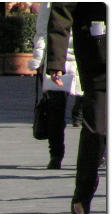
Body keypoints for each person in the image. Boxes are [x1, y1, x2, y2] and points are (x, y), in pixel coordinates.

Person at [47, 3, 106, 214]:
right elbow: (60, 14)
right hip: (98, 56)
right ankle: (85, 187)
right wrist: (55, 61)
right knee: (96, 131)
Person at [28, 2, 83, 170]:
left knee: (56, 110)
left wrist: (38, 59)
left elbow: (43, 28)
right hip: (65, 57)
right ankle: (57, 155)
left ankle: (57, 156)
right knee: (57, 110)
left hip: (61, 56)